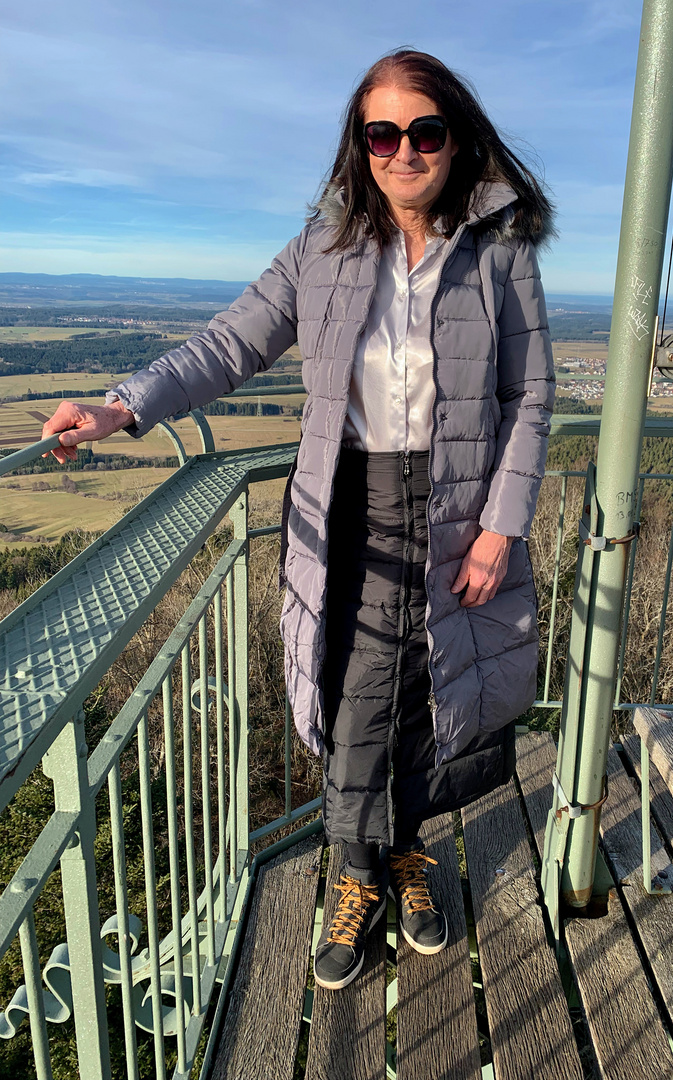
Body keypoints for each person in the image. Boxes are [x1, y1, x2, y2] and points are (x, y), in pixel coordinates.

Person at [42, 49, 556, 991]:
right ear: (360, 148)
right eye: (382, 135)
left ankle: (394, 856)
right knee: (356, 686)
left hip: (453, 507)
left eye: (424, 132)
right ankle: (364, 870)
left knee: (424, 685)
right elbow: (228, 344)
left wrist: (501, 525)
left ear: (456, 139)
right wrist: (123, 405)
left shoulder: (501, 254)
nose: (404, 152)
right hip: (346, 499)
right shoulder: (318, 251)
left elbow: (530, 396)